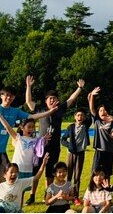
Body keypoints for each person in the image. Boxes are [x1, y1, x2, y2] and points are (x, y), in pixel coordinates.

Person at [0, 80, 57, 213]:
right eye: (6, 95)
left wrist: (49, 112)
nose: (8, 98)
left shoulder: (15, 112)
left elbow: (32, 116)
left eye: (11, 96)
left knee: (3, 183)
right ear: (1, 96)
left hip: (1, 152)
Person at [25, 76, 86, 206]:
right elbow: (29, 102)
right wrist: (29, 87)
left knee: (50, 173)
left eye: (54, 98)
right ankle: (32, 195)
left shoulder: (60, 109)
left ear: (57, 101)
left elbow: (71, 99)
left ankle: (47, 194)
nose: (52, 100)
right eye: (50, 98)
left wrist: (79, 88)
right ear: (46, 100)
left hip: (54, 147)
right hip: (41, 147)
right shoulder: (41, 109)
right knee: (36, 172)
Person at [0, 111, 48, 204]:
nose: (31, 129)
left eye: (33, 127)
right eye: (29, 127)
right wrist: (0, 115)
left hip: (28, 170)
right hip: (17, 169)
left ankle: (19, 209)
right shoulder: (18, 137)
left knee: (21, 192)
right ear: (22, 128)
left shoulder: (35, 140)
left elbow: (40, 149)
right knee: (12, 190)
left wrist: (45, 140)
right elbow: (7, 127)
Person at [61, 108, 92, 205]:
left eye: (82, 115)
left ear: (84, 117)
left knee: (77, 176)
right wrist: (69, 145)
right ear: (75, 117)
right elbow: (63, 139)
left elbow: (91, 115)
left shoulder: (85, 126)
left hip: (80, 153)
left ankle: (76, 196)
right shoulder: (70, 127)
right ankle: (67, 195)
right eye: (78, 115)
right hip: (70, 154)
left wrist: (90, 98)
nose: (80, 117)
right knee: (68, 175)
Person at [88, 87, 113, 181]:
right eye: (101, 110)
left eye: (104, 110)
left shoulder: (112, 121)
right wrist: (92, 95)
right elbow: (92, 108)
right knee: (95, 170)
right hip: (99, 149)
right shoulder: (97, 120)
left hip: (109, 150)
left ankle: (106, 189)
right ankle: (92, 189)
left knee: (107, 172)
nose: (103, 112)